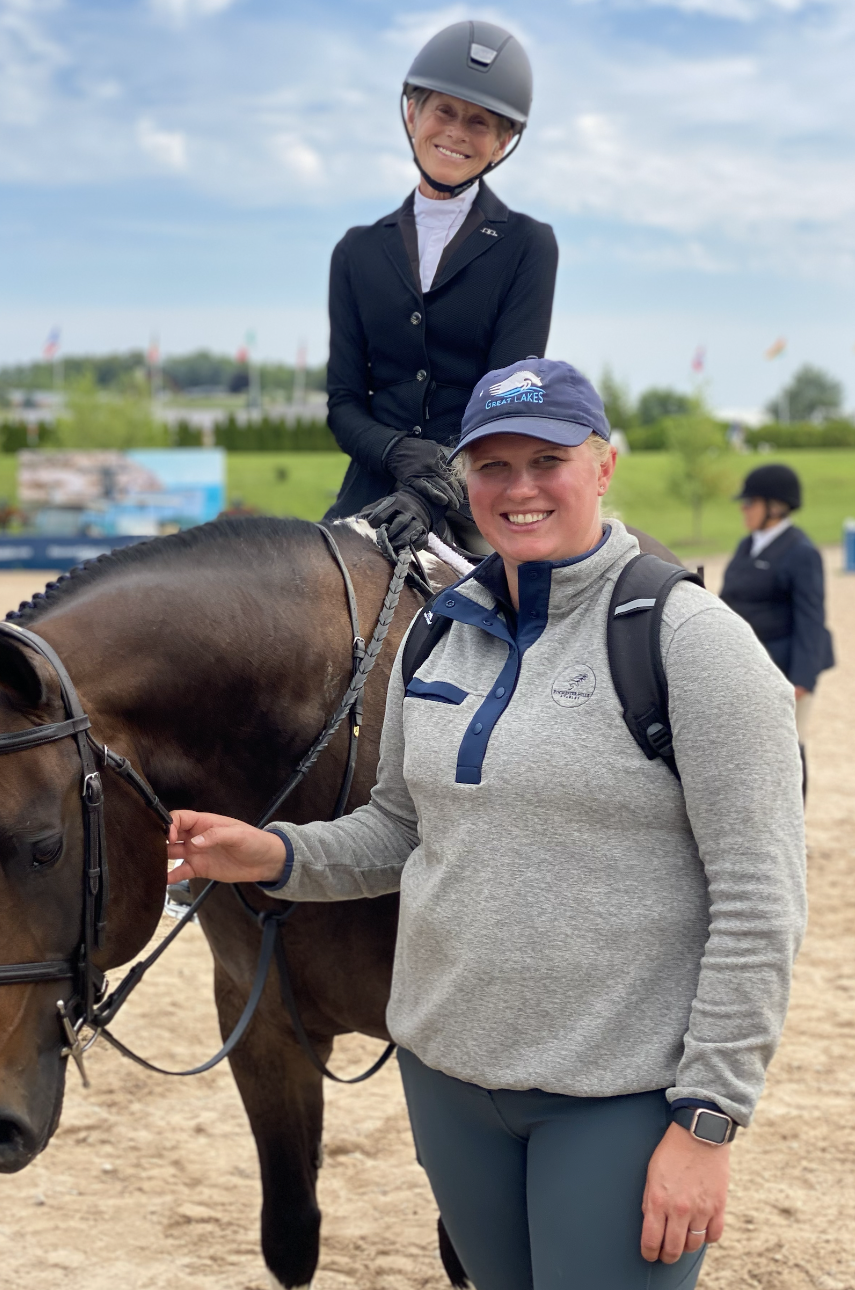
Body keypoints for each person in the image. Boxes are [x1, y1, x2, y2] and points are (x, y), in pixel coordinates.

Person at [168, 359, 806, 1289]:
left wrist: (709, 1120)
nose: (519, 488)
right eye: (492, 465)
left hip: (615, 1096)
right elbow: (398, 829)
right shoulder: (438, 633)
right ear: (463, 480)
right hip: (449, 1083)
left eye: (546, 460)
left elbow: (760, 902)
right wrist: (269, 852)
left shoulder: (691, 641)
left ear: (603, 466)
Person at [322, 20, 558, 554]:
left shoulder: (528, 244)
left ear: (502, 142)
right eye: (444, 111)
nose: (456, 131)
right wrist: (397, 453)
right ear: (413, 113)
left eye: (479, 122)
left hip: (472, 495)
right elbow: (344, 403)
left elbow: (505, 396)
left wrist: (434, 493)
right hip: (369, 491)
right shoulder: (356, 251)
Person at [720, 463, 833, 797]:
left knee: (789, 748)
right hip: (752, 664)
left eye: (750, 502)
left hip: (787, 667)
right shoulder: (746, 546)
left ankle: (796, 830)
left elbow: (811, 617)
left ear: (775, 506)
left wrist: (803, 678)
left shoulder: (801, 552)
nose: (743, 508)